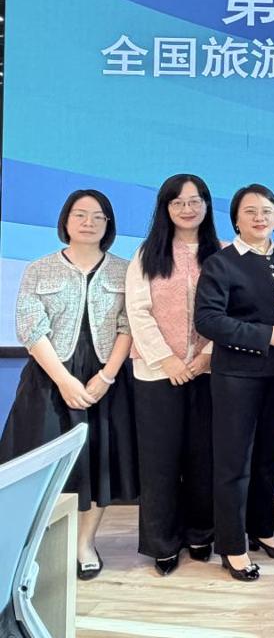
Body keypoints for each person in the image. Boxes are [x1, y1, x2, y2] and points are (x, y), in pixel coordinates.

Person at [0, 189, 138, 580]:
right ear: (65, 220)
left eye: (98, 216)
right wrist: (63, 380)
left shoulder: (125, 270)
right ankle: (36, 545)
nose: (88, 222)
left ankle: (84, 544)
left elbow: (129, 325)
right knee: (40, 462)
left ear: (108, 224)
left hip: (105, 379)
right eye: (80, 214)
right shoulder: (39, 268)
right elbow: (31, 327)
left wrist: (106, 376)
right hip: (49, 379)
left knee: (99, 463)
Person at [194, 184, 274, 582]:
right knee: (233, 462)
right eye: (250, 211)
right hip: (236, 377)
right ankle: (232, 546)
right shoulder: (221, 263)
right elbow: (207, 320)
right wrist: (264, 335)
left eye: (267, 210)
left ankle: (262, 529)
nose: (260, 217)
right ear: (236, 219)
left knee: (268, 457)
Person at [126, 174, 221, 576]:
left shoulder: (221, 253)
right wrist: (167, 360)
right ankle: (163, 543)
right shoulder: (148, 253)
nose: (187, 208)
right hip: (156, 372)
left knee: (204, 458)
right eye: (178, 202)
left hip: (208, 371)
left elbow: (232, 311)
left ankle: (201, 534)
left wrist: (206, 356)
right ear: (165, 208)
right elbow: (137, 310)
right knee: (160, 461)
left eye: (195, 201)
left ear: (206, 206)